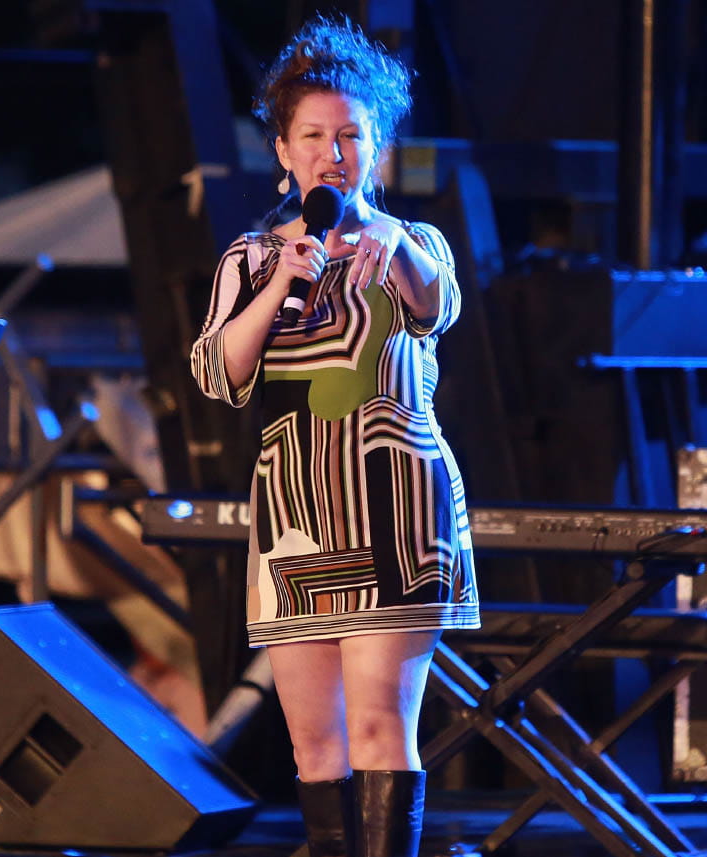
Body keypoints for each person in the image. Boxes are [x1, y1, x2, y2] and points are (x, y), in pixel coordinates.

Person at [191, 16, 479, 857]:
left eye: (352, 135)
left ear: (377, 148)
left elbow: (435, 308)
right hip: (294, 518)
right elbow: (219, 373)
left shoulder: (410, 243)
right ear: (283, 150)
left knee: (381, 725)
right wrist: (282, 274)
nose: (333, 152)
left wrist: (378, 237)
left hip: (392, 505)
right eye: (313, 135)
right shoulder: (248, 261)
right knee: (314, 748)